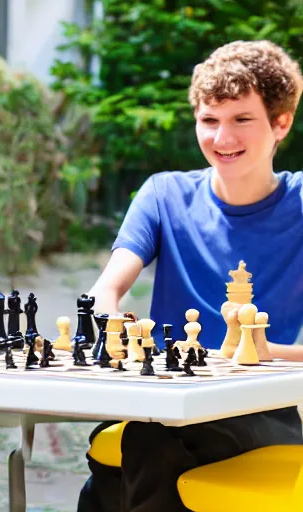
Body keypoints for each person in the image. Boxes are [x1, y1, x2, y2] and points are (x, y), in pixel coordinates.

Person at [77, 40, 303, 512]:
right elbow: (105, 289)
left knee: (146, 449)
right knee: (132, 450)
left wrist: (267, 353)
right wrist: (108, 320)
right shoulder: (164, 195)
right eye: (209, 120)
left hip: (261, 410)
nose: (222, 139)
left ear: (281, 122)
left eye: (242, 119)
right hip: (164, 400)